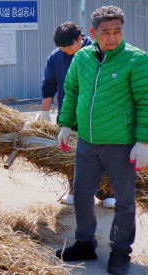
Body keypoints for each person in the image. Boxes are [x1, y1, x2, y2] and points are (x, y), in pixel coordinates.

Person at [55, 6, 148, 275]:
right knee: (81, 195)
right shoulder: (82, 58)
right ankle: (85, 243)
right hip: (88, 142)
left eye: (117, 31)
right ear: (93, 33)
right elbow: (72, 91)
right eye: (106, 32)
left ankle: (121, 250)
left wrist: (143, 141)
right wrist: (66, 124)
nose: (112, 37)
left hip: (121, 144)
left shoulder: (137, 60)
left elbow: (147, 103)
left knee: (124, 201)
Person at [40, 23, 114, 207]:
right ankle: (75, 191)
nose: (65, 51)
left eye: (68, 47)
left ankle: (108, 193)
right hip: (69, 115)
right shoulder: (56, 57)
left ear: (80, 39)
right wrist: (44, 112)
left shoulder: (100, 52)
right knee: (71, 154)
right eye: (61, 48)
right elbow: (49, 85)